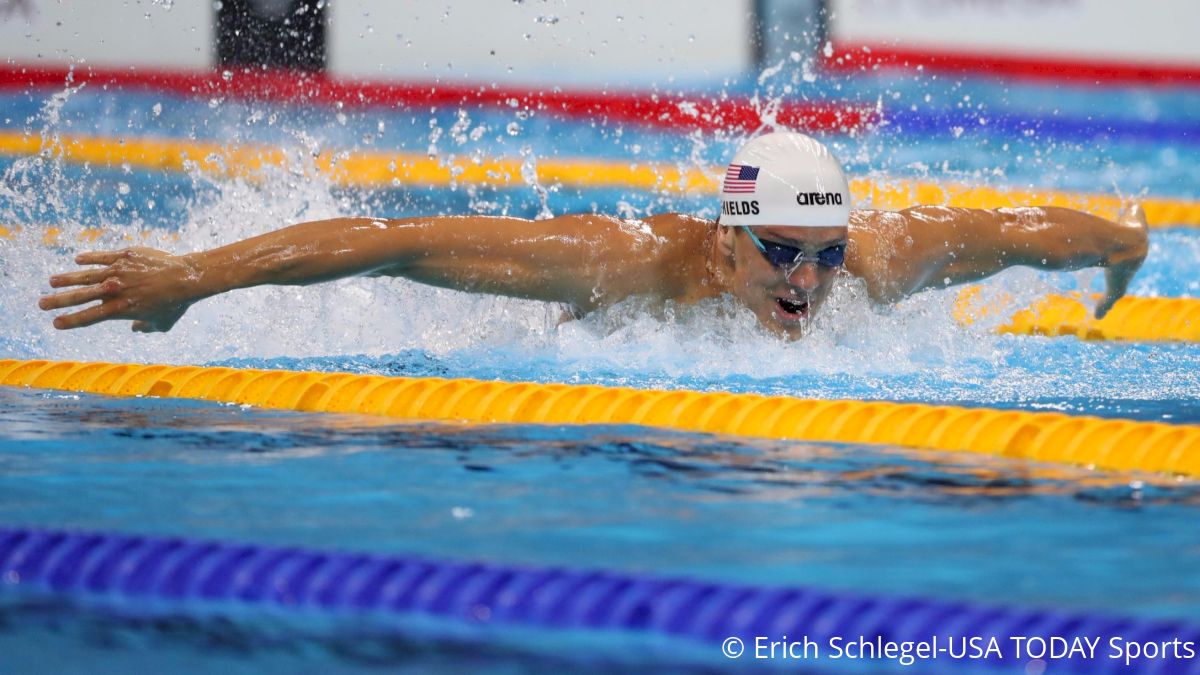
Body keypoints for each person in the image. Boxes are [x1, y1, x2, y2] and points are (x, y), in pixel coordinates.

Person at [39, 132, 1148, 340]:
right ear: (724, 243)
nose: (808, 282)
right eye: (779, 253)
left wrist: (1125, 249)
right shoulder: (625, 259)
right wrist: (192, 276)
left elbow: (1029, 231)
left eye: (826, 254)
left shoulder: (881, 260)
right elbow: (393, 237)